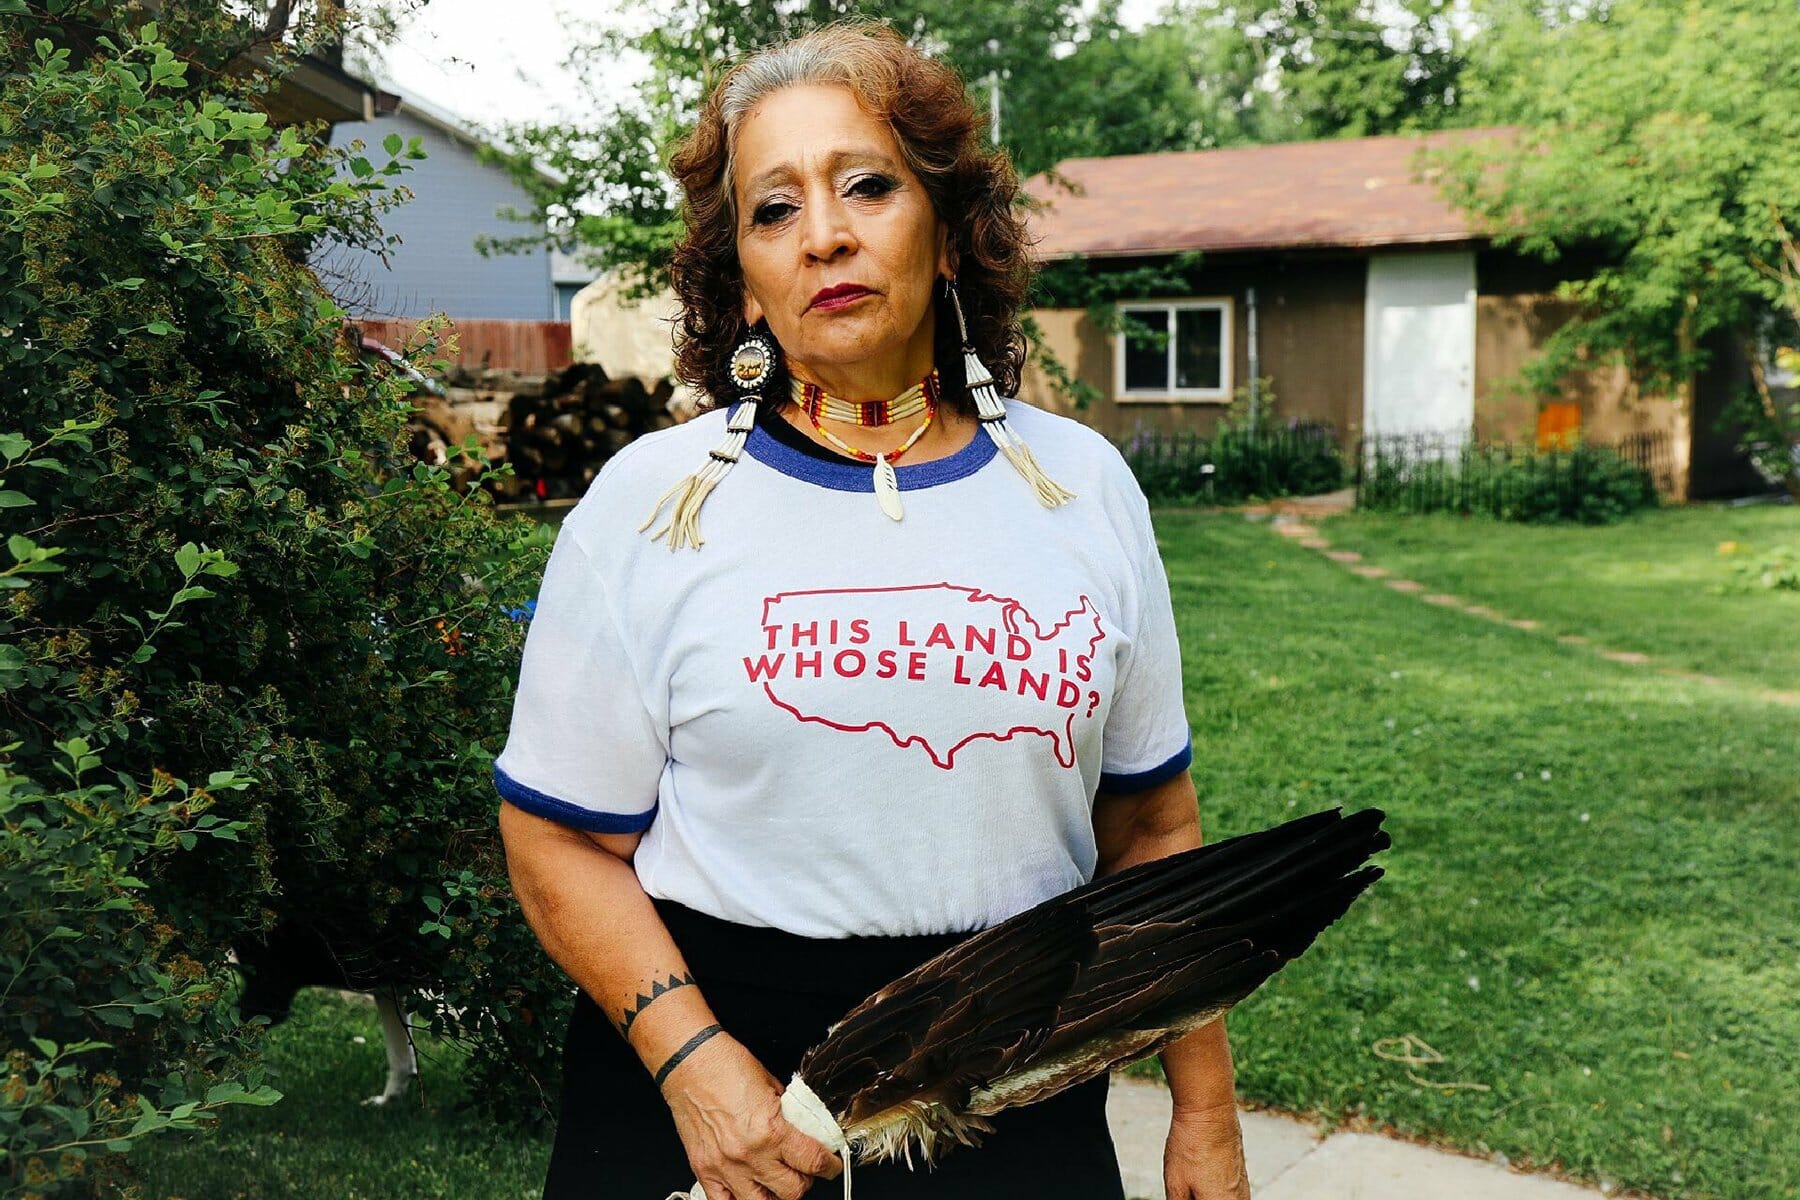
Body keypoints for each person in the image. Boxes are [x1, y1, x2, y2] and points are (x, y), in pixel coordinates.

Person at [494, 21, 1251, 1200]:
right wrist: (694, 1065)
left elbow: (1153, 832)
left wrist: (1204, 1109)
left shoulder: (1083, 489)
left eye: (867, 184)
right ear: (740, 276)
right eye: (774, 209)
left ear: (948, 235)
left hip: (1014, 1079)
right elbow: (557, 839)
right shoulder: (652, 507)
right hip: (714, 1097)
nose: (827, 234)